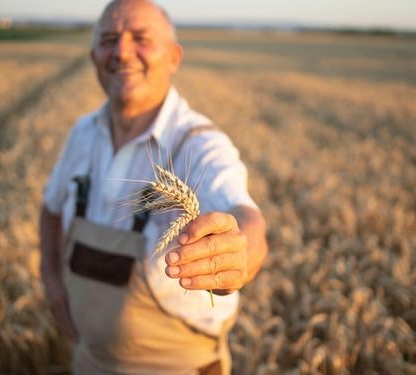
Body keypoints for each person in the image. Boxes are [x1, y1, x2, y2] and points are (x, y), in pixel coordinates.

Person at [39, 0, 268, 373]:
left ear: (174, 57)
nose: (122, 52)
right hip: (86, 361)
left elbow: (244, 216)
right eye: (109, 39)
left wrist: (238, 253)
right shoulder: (81, 133)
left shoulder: (199, 144)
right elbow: (50, 209)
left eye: (140, 38)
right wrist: (51, 282)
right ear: (94, 55)